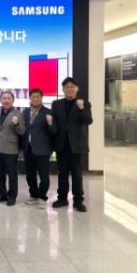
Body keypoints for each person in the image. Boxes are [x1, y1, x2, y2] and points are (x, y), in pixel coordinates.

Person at [51, 77, 93, 212]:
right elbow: (54, 124)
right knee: (62, 174)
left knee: (77, 174)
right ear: (63, 89)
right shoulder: (56, 104)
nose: (69, 89)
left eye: (72, 87)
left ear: (77, 89)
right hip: (62, 145)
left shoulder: (84, 103)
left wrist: (81, 109)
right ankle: (62, 199)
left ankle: (78, 201)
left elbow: (88, 121)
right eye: (66, 87)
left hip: (77, 145)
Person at [21, 88, 57, 208]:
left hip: (43, 149)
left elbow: (54, 132)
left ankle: (42, 197)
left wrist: (50, 123)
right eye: (33, 97)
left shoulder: (48, 112)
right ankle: (34, 195)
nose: (35, 99)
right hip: (28, 148)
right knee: (30, 175)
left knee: (44, 175)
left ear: (41, 98)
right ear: (30, 98)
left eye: (37, 96)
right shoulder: (25, 112)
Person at [0, 90, 26, 206]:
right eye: (4, 98)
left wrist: (16, 124)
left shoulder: (18, 114)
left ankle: (12, 196)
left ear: (13, 100)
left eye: (8, 98)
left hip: (11, 148)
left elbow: (22, 131)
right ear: (0, 100)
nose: (6, 100)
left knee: (12, 174)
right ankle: (1, 195)